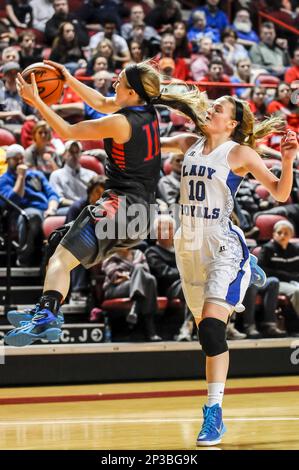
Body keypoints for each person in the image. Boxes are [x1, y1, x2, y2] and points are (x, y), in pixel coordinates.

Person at [4, 58, 207, 347]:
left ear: (133, 92)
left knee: (60, 259)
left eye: (120, 82)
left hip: (118, 209)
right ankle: (47, 312)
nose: (114, 84)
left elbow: (69, 132)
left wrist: (36, 101)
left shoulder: (119, 122)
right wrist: (68, 77)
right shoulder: (147, 110)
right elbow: (101, 100)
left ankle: (47, 316)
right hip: (142, 217)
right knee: (59, 243)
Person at [160, 95, 298, 446]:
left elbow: (281, 194)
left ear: (232, 124)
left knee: (210, 330)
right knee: (203, 334)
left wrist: (287, 158)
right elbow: (142, 143)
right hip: (188, 246)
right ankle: (245, 267)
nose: (209, 111)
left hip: (220, 242)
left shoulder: (239, 153)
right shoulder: (187, 144)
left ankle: (214, 411)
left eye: (217, 109)